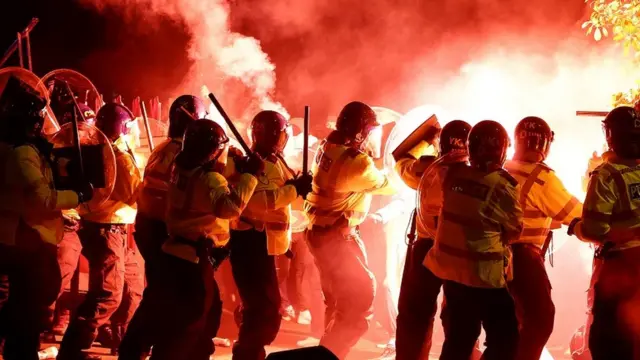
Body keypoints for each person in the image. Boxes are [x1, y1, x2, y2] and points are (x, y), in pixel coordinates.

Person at [0, 76, 92, 360]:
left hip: (28, 238)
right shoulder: (21, 154)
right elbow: (41, 200)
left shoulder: (23, 150)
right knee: (25, 317)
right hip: (25, 242)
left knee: (25, 316)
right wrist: (75, 196)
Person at [153, 119, 261, 359]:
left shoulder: (179, 167)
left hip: (176, 251)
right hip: (194, 259)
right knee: (191, 325)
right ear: (212, 150)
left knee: (199, 318)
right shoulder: (210, 179)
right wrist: (250, 176)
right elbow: (230, 208)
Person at [424, 120, 522, 360]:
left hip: (453, 277)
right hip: (485, 278)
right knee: (505, 339)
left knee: (458, 339)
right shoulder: (502, 186)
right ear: (502, 150)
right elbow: (514, 231)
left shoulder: (452, 176)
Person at [304, 101, 395, 359]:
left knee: (336, 302)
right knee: (360, 299)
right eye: (369, 131)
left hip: (322, 235)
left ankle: (325, 351)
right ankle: (330, 354)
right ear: (360, 131)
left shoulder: (328, 147)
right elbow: (389, 184)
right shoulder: (357, 163)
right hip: (337, 239)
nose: (371, 136)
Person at [118, 94, 206, 359]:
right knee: (162, 294)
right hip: (160, 229)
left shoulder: (164, 147)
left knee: (160, 291)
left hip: (149, 224)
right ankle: (137, 348)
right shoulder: (180, 153)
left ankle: (141, 347)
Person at [58, 103, 142, 360]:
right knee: (107, 295)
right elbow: (133, 193)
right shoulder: (117, 155)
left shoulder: (94, 150)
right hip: (109, 230)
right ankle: (74, 351)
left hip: (112, 229)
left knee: (133, 288)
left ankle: (124, 344)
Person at [229, 110, 312, 360]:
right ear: (278, 136)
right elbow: (259, 203)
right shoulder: (254, 164)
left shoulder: (274, 161)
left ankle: (249, 348)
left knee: (262, 307)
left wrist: (300, 186)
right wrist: (294, 190)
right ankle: (246, 352)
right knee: (265, 309)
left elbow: (283, 198)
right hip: (251, 244)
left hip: (265, 244)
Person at [503, 116, 583, 360]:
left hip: (490, 258)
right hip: (523, 260)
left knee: (506, 327)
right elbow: (578, 214)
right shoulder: (542, 178)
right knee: (540, 320)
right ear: (546, 145)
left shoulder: (503, 169)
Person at [394, 119, 472, 360]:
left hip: (424, 248)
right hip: (458, 251)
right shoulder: (474, 176)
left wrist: (427, 138)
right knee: (459, 317)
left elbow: (401, 160)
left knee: (414, 314)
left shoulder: (424, 170)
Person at [568, 106, 640, 360]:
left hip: (619, 269)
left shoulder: (607, 176)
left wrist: (576, 228)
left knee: (608, 340)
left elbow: (595, 230)